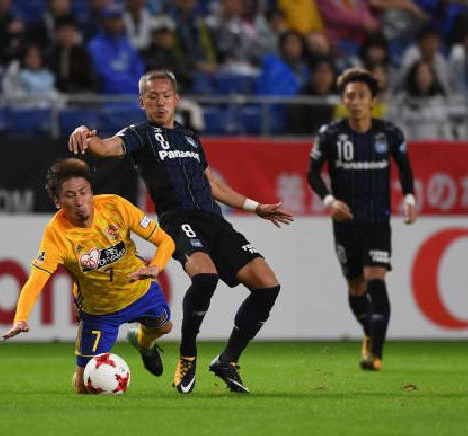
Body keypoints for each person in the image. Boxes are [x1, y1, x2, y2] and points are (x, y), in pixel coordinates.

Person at [68, 70, 293, 394]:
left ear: (176, 99)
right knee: (205, 276)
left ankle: (228, 360)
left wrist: (256, 206)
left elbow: (212, 185)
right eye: (152, 97)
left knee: (267, 284)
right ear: (142, 102)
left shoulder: (190, 139)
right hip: (177, 219)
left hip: (214, 220)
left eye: (165, 95)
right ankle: (187, 356)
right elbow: (106, 148)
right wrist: (85, 134)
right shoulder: (140, 134)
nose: (159, 102)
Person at [2, 158, 175, 393]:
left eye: (83, 192)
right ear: (57, 201)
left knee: (165, 327)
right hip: (98, 311)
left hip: (140, 293)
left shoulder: (116, 206)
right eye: (70, 195)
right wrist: (20, 318)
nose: (79, 201)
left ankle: (144, 343)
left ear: (91, 191)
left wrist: (156, 266)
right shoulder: (57, 234)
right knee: (82, 388)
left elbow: (165, 240)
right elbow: (36, 280)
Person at [307, 67, 417, 371]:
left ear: (372, 101)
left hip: (377, 223)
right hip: (345, 224)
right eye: (350, 96)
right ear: (344, 100)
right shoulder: (330, 134)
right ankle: (369, 330)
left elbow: (405, 170)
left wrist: (409, 199)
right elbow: (312, 174)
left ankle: (375, 354)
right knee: (356, 287)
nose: (355, 101)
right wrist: (330, 200)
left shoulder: (390, 134)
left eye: (361, 96)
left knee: (376, 281)